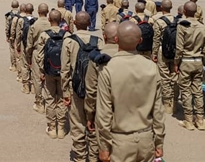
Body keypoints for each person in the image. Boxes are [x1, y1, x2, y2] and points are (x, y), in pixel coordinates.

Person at [96, 22, 165, 162]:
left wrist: (104, 146)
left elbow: (104, 113)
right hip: (146, 139)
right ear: (140, 41)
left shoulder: (108, 69)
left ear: (116, 40)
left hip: (119, 142)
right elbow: (158, 110)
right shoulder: (152, 67)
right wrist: (159, 142)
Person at [61, 12, 104, 162]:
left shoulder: (69, 41)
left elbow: (65, 70)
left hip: (76, 88)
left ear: (74, 22)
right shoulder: (98, 40)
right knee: (93, 126)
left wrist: (66, 93)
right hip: (95, 90)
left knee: (78, 125)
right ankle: (93, 157)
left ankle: (80, 157)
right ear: (89, 23)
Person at [174, 2, 205, 131]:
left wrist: (176, 63)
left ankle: (188, 120)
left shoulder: (182, 26)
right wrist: (202, 59)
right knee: (198, 90)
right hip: (198, 60)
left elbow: (179, 47)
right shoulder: (202, 27)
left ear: (184, 11)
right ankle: (200, 120)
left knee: (186, 91)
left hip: (186, 60)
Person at [36, 9, 70, 138]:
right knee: (62, 99)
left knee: (50, 99)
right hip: (62, 73)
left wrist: (41, 71)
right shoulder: (67, 35)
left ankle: (52, 128)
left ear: (49, 20)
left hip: (49, 71)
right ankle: (61, 128)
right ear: (61, 20)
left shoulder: (44, 35)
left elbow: (40, 55)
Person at [84, 22, 121, 139]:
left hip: (103, 110)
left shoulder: (97, 57)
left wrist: (90, 114)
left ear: (104, 37)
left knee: (97, 141)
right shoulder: (132, 57)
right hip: (126, 113)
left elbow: (91, 89)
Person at [151, 0, 176, 114]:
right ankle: (175, 100)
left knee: (165, 77)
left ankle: (167, 103)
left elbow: (156, 40)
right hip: (175, 52)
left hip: (163, 51)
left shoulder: (159, 22)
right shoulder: (178, 21)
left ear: (161, 7)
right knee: (174, 76)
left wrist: (154, 54)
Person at [26, 3, 51, 114]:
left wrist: (28, 57)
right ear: (48, 11)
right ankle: (50, 103)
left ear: (38, 12)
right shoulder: (52, 23)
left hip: (37, 52)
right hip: (51, 53)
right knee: (49, 78)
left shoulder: (34, 25)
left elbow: (29, 44)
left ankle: (39, 103)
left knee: (37, 79)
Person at [16, 3, 35, 94]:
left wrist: (18, 45)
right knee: (34, 66)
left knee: (24, 65)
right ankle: (35, 87)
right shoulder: (36, 20)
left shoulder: (21, 20)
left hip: (25, 44)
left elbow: (18, 35)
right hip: (35, 47)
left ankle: (26, 86)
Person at [5, 1, 21, 71]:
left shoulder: (9, 15)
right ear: (18, 5)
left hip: (12, 36)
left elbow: (7, 27)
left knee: (12, 50)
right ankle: (19, 66)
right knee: (19, 51)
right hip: (20, 35)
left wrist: (7, 36)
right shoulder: (21, 14)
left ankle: (13, 65)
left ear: (11, 5)